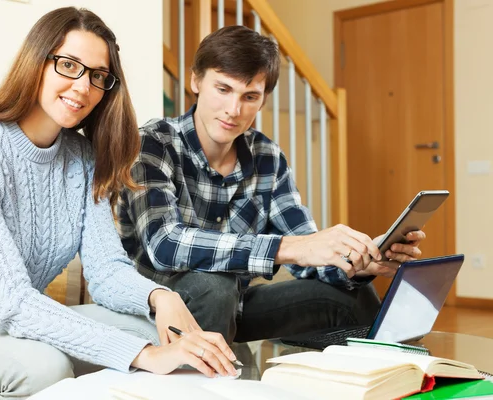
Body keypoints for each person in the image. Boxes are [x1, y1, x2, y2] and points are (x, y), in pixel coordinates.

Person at [0, 7, 239, 400]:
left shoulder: (81, 157)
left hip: (10, 330)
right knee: (47, 366)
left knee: (150, 331)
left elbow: (106, 271)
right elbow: (12, 301)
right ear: (37, 62)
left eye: (97, 76)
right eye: (68, 65)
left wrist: (161, 298)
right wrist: (142, 355)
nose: (82, 87)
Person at [117, 25, 425, 344]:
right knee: (215, 287)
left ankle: (390, 380)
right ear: (196, 80)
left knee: (350, 296)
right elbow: (165, 244)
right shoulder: (152, 143)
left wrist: (360, 263)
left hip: (233, 305)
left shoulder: (267, 157)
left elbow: (308, 251)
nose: (234, 110)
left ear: (262, 101)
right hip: (155, 306)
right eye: (223, 89)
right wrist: (289, 249)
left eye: (250, 97)